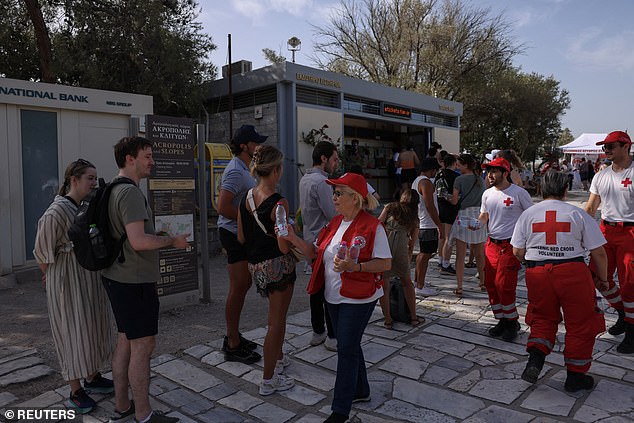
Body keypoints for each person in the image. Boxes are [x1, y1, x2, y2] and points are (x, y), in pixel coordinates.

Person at [281, 172, 391, 423]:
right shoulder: (334, 223)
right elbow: (315, 252)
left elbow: (385, 263)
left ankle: (340, 410)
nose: (334, 197)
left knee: (346, 349)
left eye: (339, 193)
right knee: (348, 344)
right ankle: (361, 390)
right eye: (334, 192)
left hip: (359, 297)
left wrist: (357, 267)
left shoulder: (373, 226)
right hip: (333, 295)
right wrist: (292, 237)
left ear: (355, 198)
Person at [102, 136, 190, 423]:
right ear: (130, 158)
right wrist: (172, 241)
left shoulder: (114, 188)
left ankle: (122, 405)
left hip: (118, 277)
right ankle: (144, 415)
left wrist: (159, 239)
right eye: (148, 156)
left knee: (126, 340)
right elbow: (138, 242)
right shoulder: (128, 193)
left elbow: (130, 238)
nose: (152, 161)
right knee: (143, 346)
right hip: (134, 281)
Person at [512, 170, 608, 392]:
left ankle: (535, 361)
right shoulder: (578, 214)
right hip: (573, 273)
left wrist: (535, 263)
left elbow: (517, 250)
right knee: (580, 323)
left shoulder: (528, 214)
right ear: (565, 190)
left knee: (542, 317)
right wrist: (602, 280)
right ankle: (575, 376)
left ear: (541, 190)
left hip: (537, 274)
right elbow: (599, 252)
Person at [33, 159, 114, 414]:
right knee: (72, 331)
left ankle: (92, 377)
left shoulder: (85, 206)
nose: (93, 182)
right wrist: (52, 278)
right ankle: (75, 389)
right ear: (74, 180)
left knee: (91, 326)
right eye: (89, 178)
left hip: (87, 276)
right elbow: (41, 253)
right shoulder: (55, 212)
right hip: (67, 280)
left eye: (95, 177)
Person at [237, 145, 297, 395]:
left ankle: (279, 358)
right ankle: (269, 379)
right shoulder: (279, 202)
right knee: (276, 323)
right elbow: (284, 246)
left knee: (275, 320)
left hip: (256, 266)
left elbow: (241, 237)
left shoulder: (246, 198)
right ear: (275, 170)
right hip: (278, 267)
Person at [217, 125, 267, 364]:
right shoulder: (236, 170)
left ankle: (234, 335)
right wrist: (247, 221)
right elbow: (222, 206)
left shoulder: (244, 168)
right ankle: (232, 343)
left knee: (243, 285)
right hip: (232, 233)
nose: (259, 147)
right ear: (245, 145)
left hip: (239, 233)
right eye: (256, 143)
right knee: (238, 287)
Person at [585, 131, 634, 353]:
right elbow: (591, 207)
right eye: (604, 147)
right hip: (605, 230)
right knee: (596, 276)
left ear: (626, 146)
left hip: (630, 232)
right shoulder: (601, 175)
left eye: (611, 146)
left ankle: (632, 331)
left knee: (629, 284)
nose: (606, 150)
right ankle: (623, 313)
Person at [478, 157, 533, 342]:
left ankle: (512, 323)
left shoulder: (519, 193)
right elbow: (484, 216)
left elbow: (530, 217)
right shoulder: (487, 194)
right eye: (488, 171)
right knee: (490, 284)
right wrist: (476, 223)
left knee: (505, 286)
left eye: (494, 171)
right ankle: (501, 319)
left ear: (505, 173)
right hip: (491, 245)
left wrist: (526, 244)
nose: (490, 175)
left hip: (510, 247)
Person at [299, 141, 340, 350]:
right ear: (323, 159)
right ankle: (333, 336)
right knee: (329, 289)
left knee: (316, 288)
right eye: (334, 158)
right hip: (324, 240)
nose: (336, 163)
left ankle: (318, 331)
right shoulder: (322, 182)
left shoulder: (305, 179)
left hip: (310, 238)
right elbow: (333, 214)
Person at [378, 188, 421, 328]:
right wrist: (408, 256)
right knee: (407, 283)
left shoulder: (390, 207)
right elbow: (412, 243)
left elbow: (378, 223)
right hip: (401, 250)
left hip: (385, 248)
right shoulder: (414, 217)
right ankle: (414, 317)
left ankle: (388, 319)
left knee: (384, 285)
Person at [448, 154, 487, 296]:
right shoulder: (480, 180)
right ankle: (482, 283)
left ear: (465, 165)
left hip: (464, 215)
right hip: (479, 215)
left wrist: (447, 197)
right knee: (479, 254)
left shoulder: (459, 179)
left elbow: (454, 201)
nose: (457, 166)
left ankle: (459, 286)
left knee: (460, 255)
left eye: (459, 164)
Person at [412, 158, 442, 297]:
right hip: (428, 223)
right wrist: (439, 225)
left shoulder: (416, 181)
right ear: (432, 170)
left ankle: (418, 281)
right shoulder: (426, 182)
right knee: (425, 255)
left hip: (422, 222)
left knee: (422, 254)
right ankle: (420, 285)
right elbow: (430, 205)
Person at [435, 154, 460, 275]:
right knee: (448, 238)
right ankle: (446, 263)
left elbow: (438, 192)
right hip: (451, 208)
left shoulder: (438, 174)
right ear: (454, 163)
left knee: (441, 236)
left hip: (439, 207)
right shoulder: (456, 176)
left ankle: (440, 260)